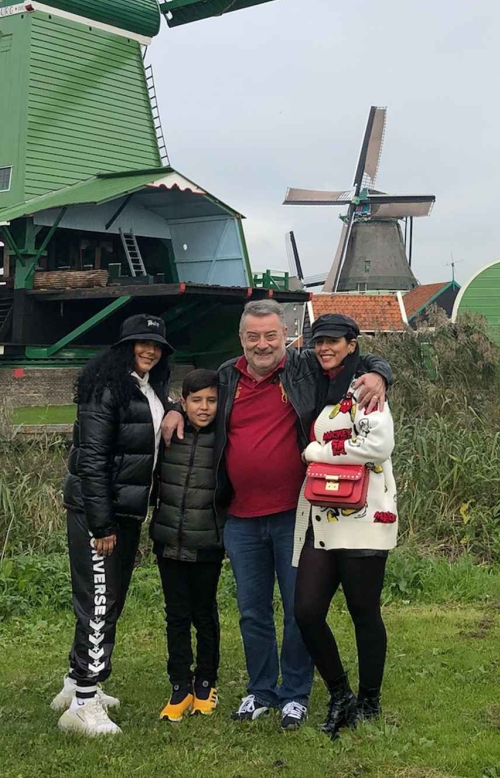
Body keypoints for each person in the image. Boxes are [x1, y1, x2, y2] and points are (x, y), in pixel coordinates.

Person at [160, 298, 391, 732]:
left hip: (294, 513)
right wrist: (174, 407)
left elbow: (355, 354)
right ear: (241, 339)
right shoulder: (228, 375)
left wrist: (380, 373)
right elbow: (193, 394)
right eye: (253, 337)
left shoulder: (303, 367)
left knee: (296, 608)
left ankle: (295, 693)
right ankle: (261, 689)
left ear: (284, 335)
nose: (262, 345)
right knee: (252, 610)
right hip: (241, 516)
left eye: (270, 336)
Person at [53, 313, 173, 737]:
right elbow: (92, 459)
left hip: (125, 512)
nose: (150, 350)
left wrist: (173, 410)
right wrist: (101, 525)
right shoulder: (107, 389)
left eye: (157, 345)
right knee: (99, 601)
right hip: (98, 515)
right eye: (142, 343)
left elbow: (146, 434)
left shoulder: (146, 388)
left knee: (108, 598)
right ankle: (85, 701)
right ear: (124, 346)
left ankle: (75, 683)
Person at [290, 313, 398, 738]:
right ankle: (339, 692)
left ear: (352, 343)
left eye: (334, 341)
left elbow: (377, 445)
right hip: (323, 515)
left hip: (364, 514)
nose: (325, 348)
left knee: (363, 610)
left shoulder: (367, 386)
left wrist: (317, 453)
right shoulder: (319, 381)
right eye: (319, 341)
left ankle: (369, 697)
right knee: (307, 610)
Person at [149, 368, 225, 722]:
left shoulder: (224, 437)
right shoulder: (168, 430)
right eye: (196, 401)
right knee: (176, 615)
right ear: (184, 402)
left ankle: (206, 680)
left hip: (207, 541)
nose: (205, 407)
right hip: (168, 538)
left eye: (211, 400)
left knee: (204, 614)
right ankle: (179, 682)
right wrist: (171, 412)